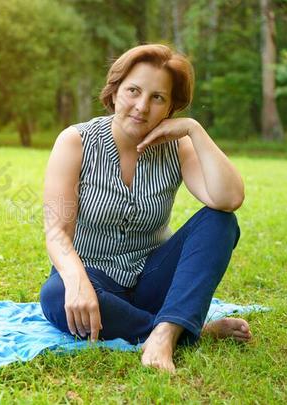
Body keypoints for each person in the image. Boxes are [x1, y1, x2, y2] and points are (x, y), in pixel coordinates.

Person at [39, 44, 251, 373]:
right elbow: (56, 234)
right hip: (95, 280)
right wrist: (76, 281)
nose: (142, 107)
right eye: (134, 91)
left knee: (220, 221)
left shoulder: (178, 148)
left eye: (157, 98)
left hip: (153, 280)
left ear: (170, 107)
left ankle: (165, 333)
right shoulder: (75, 142)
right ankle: (188, 328)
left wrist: (195, 131)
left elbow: (229, 198)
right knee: (55, 296)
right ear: (115, 91)